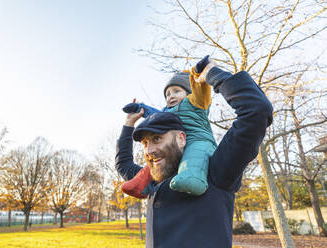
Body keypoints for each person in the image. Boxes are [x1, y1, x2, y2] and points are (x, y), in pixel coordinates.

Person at [115, 56, 273, 248]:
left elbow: (256, 111)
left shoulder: (216, 170)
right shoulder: (154, 178)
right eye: (145, 142)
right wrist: (129, 124)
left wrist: (213, 75)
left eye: (157, 139)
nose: (150, 150)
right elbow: (123, 165)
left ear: (181, 138)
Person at [121, 55, 217, 198]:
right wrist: (138, 108)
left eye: (177, 91)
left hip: (197, 141)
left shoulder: (196, 103)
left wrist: (199, 74)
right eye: (167, 94)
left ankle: (192, 179)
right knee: (152, 164)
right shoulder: (166, 112)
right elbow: (152, 113)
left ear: (189, 93)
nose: (170, 96)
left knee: (193, 158)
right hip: (174, 147)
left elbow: (201, 89)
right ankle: (140, 184)